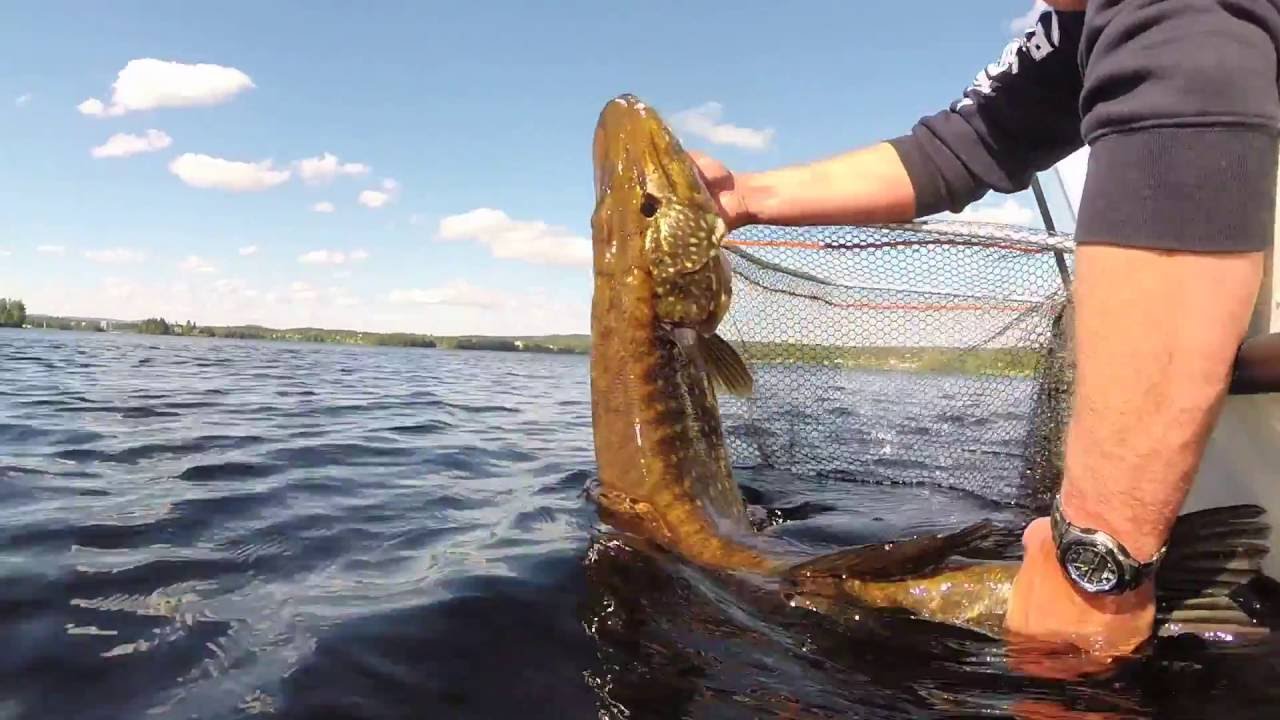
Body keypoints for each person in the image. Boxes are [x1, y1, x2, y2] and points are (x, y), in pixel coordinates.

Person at [691, 0, 1280, 663]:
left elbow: (1184, 92)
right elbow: (966, 142)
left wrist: (1094, 566)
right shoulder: (1072, 29)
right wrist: (747, 196)